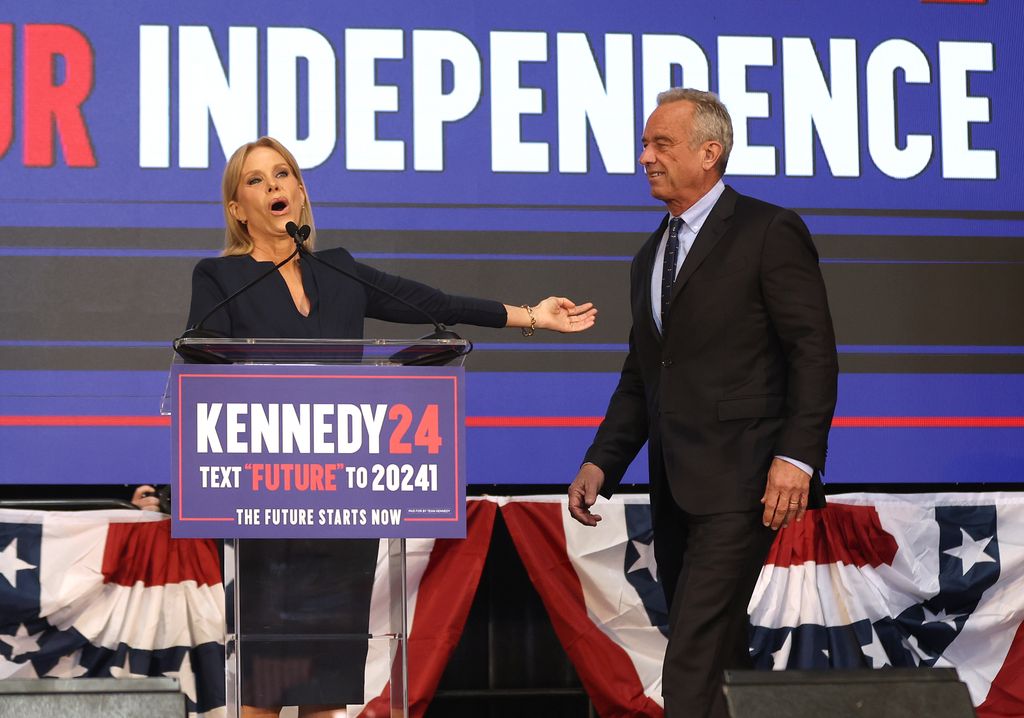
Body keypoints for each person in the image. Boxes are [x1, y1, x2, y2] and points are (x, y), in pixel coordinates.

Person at [185, 136, 597, 718]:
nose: (274, 186)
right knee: (266, 692)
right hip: (270, 504)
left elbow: (431, 301)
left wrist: (529, 316)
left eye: (283, 175)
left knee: (324, 693)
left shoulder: (341, 270)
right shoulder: (221, 279)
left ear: (301, 193)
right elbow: (203, 369)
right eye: (256, 180)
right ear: (237, 207)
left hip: (343, 501)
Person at [567, 88, 838, 718]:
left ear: (709, 152)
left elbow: (813, 353)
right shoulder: (647, 257)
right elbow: (643, 375)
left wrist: (797, 458)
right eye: (644, 144)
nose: (645, 157)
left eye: (661, 143)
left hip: (745, 481)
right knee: (717, 656)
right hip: (676, 487)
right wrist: (601, 461)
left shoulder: (768, 230)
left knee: (690, 653)